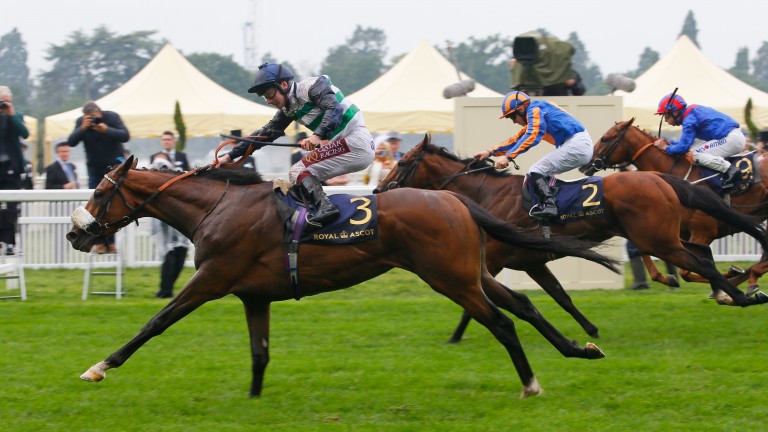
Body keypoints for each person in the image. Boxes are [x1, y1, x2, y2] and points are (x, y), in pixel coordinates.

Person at [215, 62, 374, 228]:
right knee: (299, 176)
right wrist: (229, 156)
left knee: (298, 171)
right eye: (265, 97)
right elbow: (265, 134)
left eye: (270, 94)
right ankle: (316, 215)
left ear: (284, 85)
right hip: (351, 145)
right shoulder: (288, 107)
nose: (269, 101)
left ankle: (326, 209)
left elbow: (334, 109)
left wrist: (317, 136)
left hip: (355, 142)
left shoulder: (313, 86)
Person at [474, 90, 593, 219]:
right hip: (577, 144)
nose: (514, 122)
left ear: (520, 109)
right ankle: (556, 206)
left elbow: (533, 135)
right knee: (542, 173)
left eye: (512, 117)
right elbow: (516, 139)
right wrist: (489, 152)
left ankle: (550, 207)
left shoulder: (535, 109)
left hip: (577, 144)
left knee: (535, 171)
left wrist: (508, 157)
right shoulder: (538, 110)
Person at [67, 101, 130, 253]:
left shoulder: (111, 118)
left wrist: (106, 130)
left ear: (100, 114)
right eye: (89, 118)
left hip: (114, 169)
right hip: (95, 170)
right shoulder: (81, 123)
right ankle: (98, 242)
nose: (93, 121)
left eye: (95, 117)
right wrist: (82, 128)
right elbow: (71, 141)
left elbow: (125, 136)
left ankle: (110, 243)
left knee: (114, 205)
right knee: (95, 207)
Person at [652, 93, 744, 192]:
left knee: (693, 154)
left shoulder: (689, 120)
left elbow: (683, 148)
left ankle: (730, 170)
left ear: (675, 112)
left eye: (666, 116)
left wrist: (665, 147)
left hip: (732, 139)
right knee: (693, 149)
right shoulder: (691, 113)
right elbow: (686, 143)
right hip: (730, 137)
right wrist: (668, 142)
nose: (666, 120)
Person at [149, 153, 189, 298]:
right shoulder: (154, 173)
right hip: (163, 221)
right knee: (170, 253)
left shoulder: (179, 176)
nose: (160, 163)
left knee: (179, 252)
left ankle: (167, 289)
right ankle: (165, 289)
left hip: (177, 219)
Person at [0, 86, 29, 255]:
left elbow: (24, 133)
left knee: (11, 208)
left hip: (12, 169)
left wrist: (10, 114)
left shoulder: (16, 116)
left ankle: (10, 243)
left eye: (6, 101)